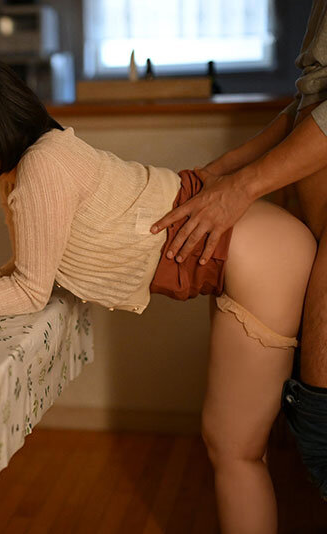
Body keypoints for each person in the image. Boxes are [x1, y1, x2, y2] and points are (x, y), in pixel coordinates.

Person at [0, 53, 316, 534]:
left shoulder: (42, 167)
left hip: (263, 256)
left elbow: (30, 292)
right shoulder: (33, 163)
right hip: (253, 250)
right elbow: (38, 264)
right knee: (233, 446)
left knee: (235, 449)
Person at [150, 1, 327, 503]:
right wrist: (224, 170)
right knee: (310, 435)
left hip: (297, 246)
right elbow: (312, 98)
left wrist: (241, 186)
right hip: (310, 239)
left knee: (315, 435)